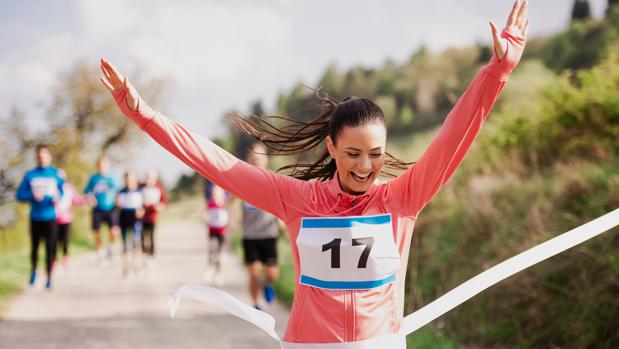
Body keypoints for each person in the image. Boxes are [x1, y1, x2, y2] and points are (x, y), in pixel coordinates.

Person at [100, 1, 529, 345]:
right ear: (331, 148)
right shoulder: (297, 200)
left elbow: (454, 134)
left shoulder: (403, 198)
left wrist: (497, 72)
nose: (366, 166)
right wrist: (146, 116)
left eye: (376, 154)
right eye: (354, 153)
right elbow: (216, 163)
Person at [16, 145, 64, 289]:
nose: (42, 158)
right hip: (35, 217)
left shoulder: (55, 174)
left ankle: (49, 277)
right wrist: (32, 196)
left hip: (50, 217)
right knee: (35, 247)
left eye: (44, 156)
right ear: (37, 158)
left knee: (50, 248)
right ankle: (34, 271)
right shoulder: (30, 175)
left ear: (49, 157)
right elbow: (19, 194)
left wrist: (57, 197)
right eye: (39, 156)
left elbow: (62, 191)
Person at [240, 142, 282, 310]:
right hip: (250, 235)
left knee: (272, 274)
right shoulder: (243, 180)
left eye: (260, 157)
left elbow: (283, 202)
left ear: (266, 159)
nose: (256, 160)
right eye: (253, 157)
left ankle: (267, 284)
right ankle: (256, 304)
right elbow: (231, 198)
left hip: (269, 233)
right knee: (254, 273)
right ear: (249, 160)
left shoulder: (274, 180)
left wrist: (282, 219)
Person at [84, 156, 120, 266]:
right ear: (97, 166)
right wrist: (90, 199)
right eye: (100, 165)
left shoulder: (112, 178)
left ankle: (110, 247)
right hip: (97, 209)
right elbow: (86, 192)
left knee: (114, 232)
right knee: (96, 232)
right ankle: (101, 254)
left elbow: (119, 192)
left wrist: (118, 202)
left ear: (108, 166)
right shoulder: (93, 178)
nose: (102, 167)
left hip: (111, 208)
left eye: (104, 165)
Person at [54, 169, 85, 270]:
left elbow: (77, 200)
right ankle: (53, 260)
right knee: (54, 240)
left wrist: (84, 199)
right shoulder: (52, 188)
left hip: (66, 218)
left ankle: (65, 259)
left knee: (65, 240)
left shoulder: (69, 188)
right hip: (53, 218)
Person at [116, 170, 144, 276]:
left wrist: (141, 211)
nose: (129, 181)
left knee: (135, 243)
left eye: (132, 178)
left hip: (135, 219)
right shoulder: (121, 192)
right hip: (123, 217)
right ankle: (126, 267)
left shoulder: (140, 191)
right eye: (127, 179)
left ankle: (135, 264)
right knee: (124, 244)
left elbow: (143, 206)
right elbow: (116, 207)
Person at [203, 184, 229, 286]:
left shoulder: (225, 205)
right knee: (212, 251)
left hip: (222, 233)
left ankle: (219, 273)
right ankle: (209, 267)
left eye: (218, 193)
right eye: (214, 193)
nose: (215, 195)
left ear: (222, 195)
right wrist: (205, 218)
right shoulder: (210, 204)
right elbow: (205, 215)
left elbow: (228, 216)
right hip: (212, 232)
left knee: (220, 254)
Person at [139, 169, 167, 263]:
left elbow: (164, 202)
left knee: (151, 235)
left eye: (151, 177)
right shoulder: (141, 187)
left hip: (153, 216)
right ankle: (144, 253)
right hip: (142, 216)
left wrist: (160, 207)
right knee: (142, 235)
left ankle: (151, 255)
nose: (149, 179)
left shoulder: (159, 187)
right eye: (147, 177)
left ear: (155, 178)